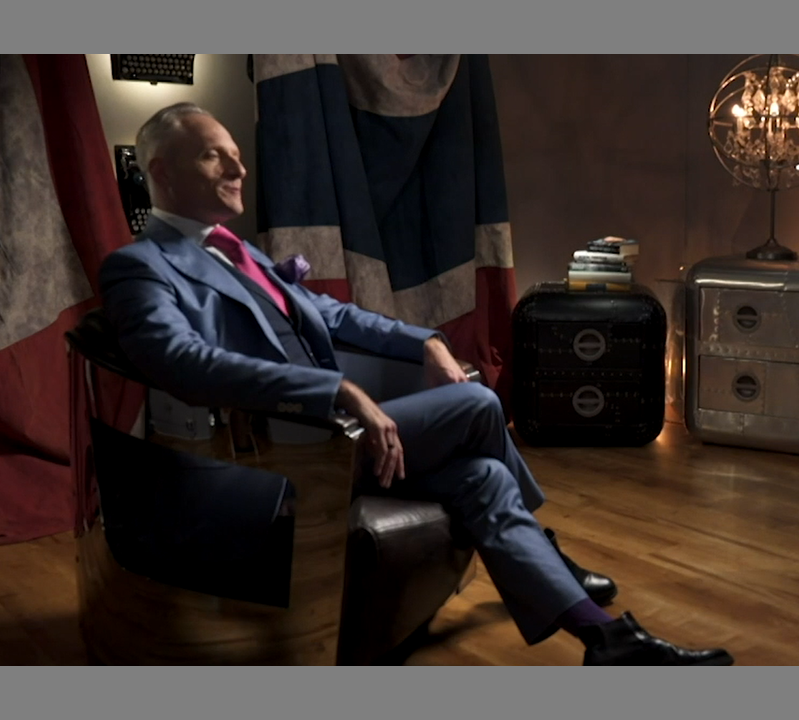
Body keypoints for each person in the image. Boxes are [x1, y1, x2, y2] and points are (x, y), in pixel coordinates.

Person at [98, 102, 733, 667]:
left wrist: (424, 340)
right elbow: (181, 362)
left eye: (237, 155)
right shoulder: (139, 267)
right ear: (161, 172)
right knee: (477, 402)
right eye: (215, 156)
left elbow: (332, 315)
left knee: (483, 479)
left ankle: (606, 641)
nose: (239, 169)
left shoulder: (239, 250)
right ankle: (551, 553)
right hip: (285, 454)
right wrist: (336, 392)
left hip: (336, 436)